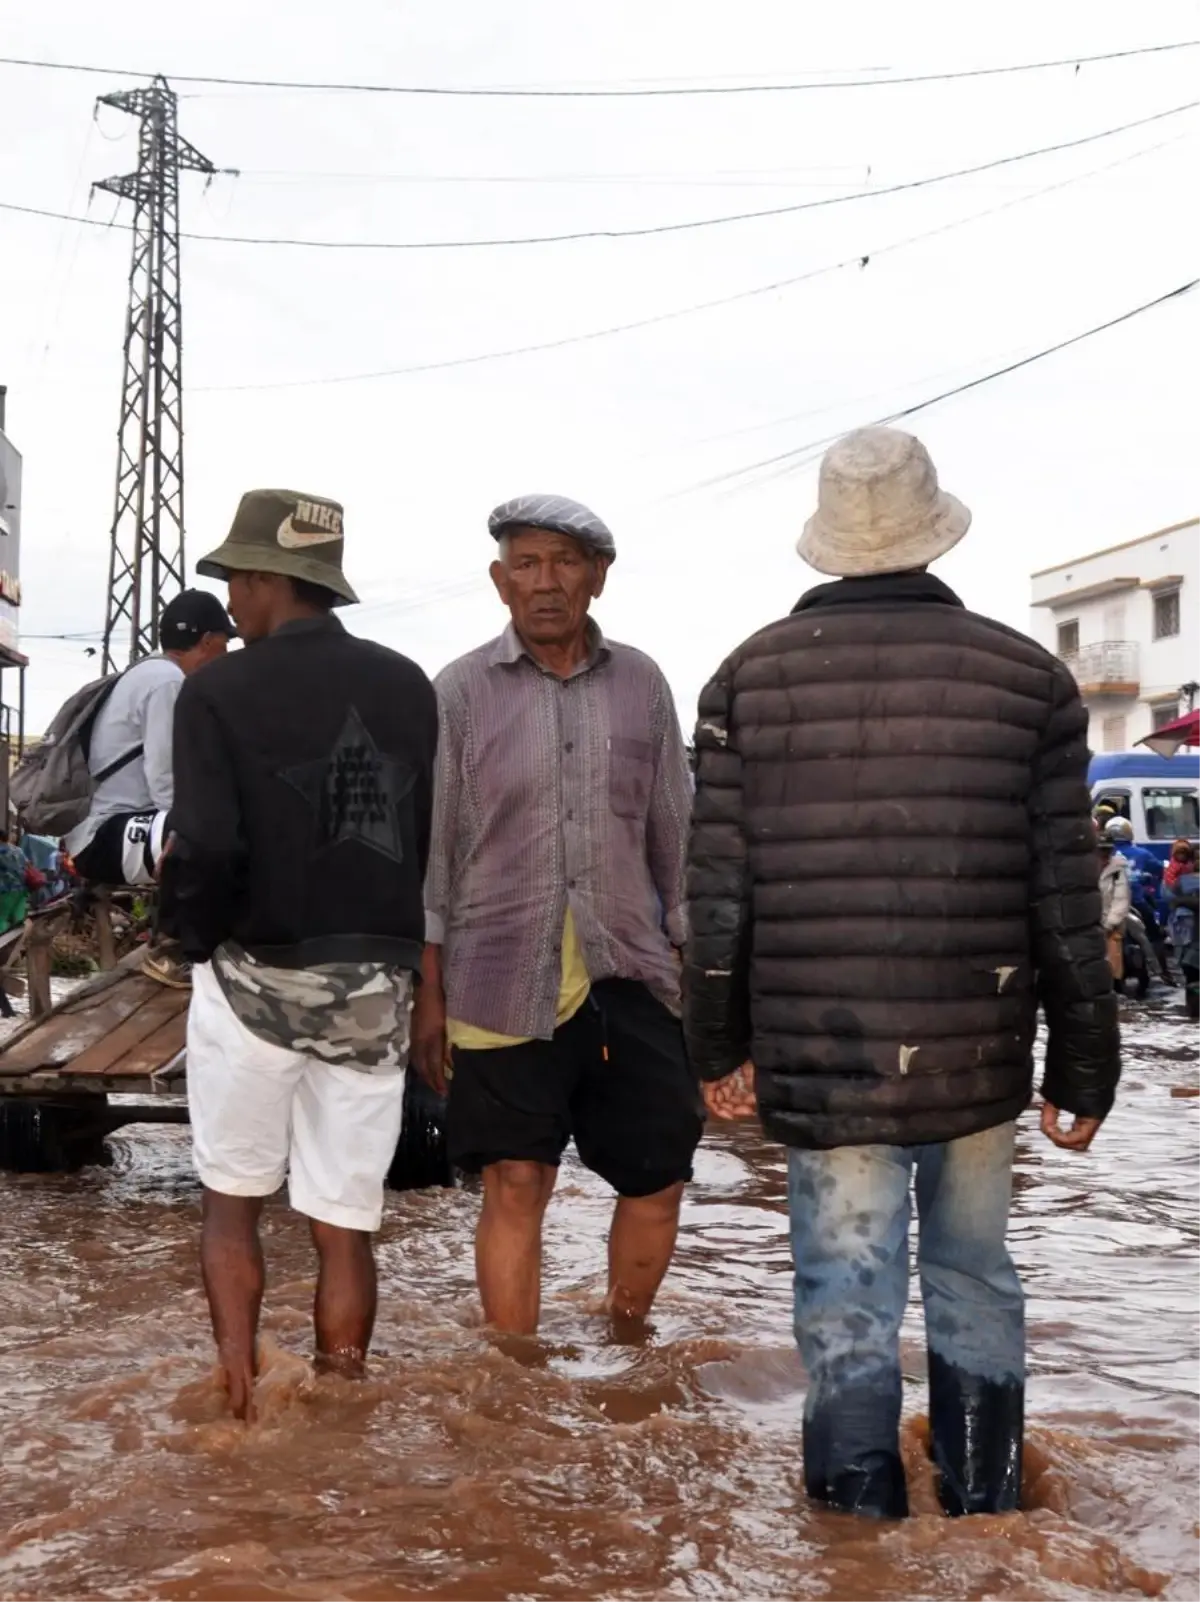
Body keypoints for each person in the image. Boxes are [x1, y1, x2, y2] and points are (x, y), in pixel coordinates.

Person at [684, 427, 1120, 1521]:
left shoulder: (747, 677)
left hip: (823, 1058)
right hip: (975, 1043)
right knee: (974, 1275)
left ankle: (854, 1529)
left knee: (846, 1292)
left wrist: (717, 1046)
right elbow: (1065, 894)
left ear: (826, 547)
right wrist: (1086, 1061)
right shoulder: (1029, 679)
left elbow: (719, 892)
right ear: (935, 534)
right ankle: (986, 1513)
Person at [159, 489, 437, 1421]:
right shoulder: (408, 686)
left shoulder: (216, 691)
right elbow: (430, 844)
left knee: (232, 1205)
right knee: (344, 1221)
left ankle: (239, 1409)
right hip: (373, 983)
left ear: (269, 578)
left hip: (250, 978)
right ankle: (343, 1408)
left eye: (236, 579)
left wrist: (190, 941)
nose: (231, 602)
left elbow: (203, 847)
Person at [413, 493, 701, 1337]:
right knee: (514, 1182)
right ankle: (516, 1371)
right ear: (500, 583)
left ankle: (625, 1336)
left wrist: (700, 982)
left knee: (657, 1177)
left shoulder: (642, 682)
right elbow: (433, 859)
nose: (546, 583)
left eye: (565, 563)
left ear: (598, 578)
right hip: (498, 977)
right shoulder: (460, 692)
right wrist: (428, 999)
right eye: (527, 565)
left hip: (633, 974)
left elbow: (673, 839)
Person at [66, 590, 235, 888]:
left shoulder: (146, 672)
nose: (227, 653)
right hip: (108, 835)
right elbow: (166, 777)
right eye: (226, 642)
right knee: (220, 833)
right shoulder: (167, 682)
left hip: (103, 832)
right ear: (207, 641)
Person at [1106, 817, 1172, 983]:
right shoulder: (1141, 854)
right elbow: (1159, 869)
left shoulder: (1102, 853)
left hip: (1106, 904)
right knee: (1155, 933)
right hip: (1135, 901)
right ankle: (1163, 971)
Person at [1097, 831, 1132, 982]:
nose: (1104, 854)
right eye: (1100, 850)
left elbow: (1121, 899)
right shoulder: (1084, 868)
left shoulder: (1118, 870)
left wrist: (1109, 924)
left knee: (1111, 965)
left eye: (1107, 850)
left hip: (1111, 926)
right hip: (1088, 924)